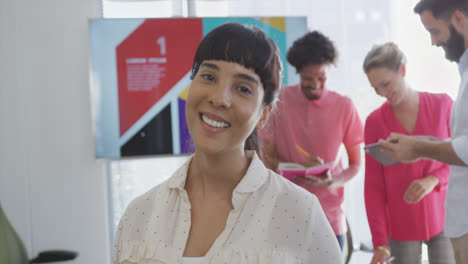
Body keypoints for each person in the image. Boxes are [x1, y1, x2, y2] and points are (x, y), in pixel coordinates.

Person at [113, 23, 342, 264]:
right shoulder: (140, 215)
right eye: (209, 77)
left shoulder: (300, 215)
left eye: (243, 88)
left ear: (264, 113)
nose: (219, 98)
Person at [378, 1, 468, 262]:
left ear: (459, 19)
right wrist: (417, 143)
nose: (433, 42)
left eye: (435, 31)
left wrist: (418, 148)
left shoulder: (440, 101)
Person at [259, 31, 363, 250]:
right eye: (308, 78)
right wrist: (293, 167)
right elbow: (265, 157)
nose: (315, 84)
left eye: (321, 78)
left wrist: (333, 181)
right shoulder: (281, 101)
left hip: (330, 219)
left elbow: (356, 165)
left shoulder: (344, 106)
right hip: (287, 213)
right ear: (298, 73)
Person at [363, 42, 455, 264]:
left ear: (402, 70)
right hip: (400, 225)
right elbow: (373, 186)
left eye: (386, 84)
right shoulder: (374, 122)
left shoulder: (443, 105)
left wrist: (434, 179)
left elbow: (461, 157)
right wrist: (380, 242)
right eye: (376, 88)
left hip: (445, 216)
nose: (383, 93)